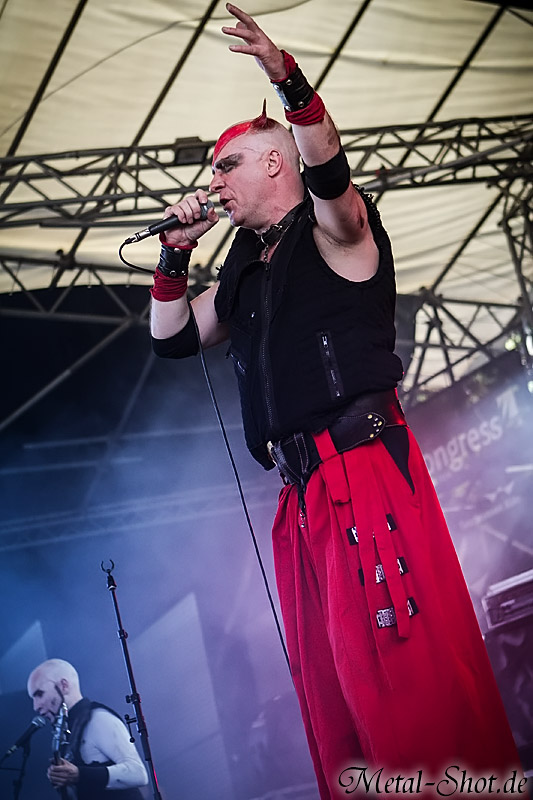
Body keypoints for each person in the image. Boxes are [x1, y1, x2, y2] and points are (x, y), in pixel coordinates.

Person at [150, 4, 524, 798]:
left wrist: (286, 79)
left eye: (227, 165)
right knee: (334, 689)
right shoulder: (243, 268)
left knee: (402, 673)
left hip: (361, 469)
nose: (213, 182)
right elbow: (173, 338)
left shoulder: (336, 230)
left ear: (274, 164)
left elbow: (328, 172)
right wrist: (173, 257)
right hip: (300, 494)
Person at [27, 659, 148, 798]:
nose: (36, 706)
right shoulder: (67, 729)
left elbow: (138, 773)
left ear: (64, 686)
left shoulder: (98, 718)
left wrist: (79, 774)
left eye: (39, 694)